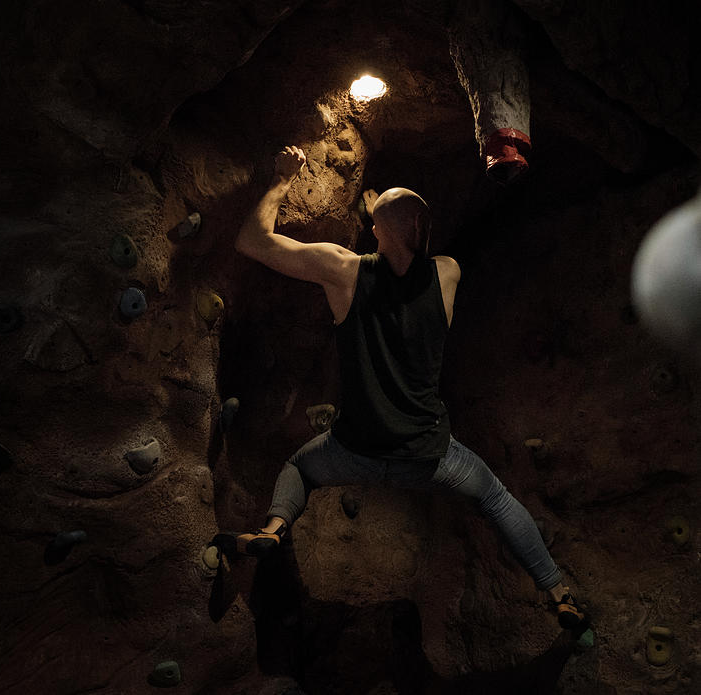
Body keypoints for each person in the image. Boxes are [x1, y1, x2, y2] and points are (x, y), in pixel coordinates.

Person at [218, 145, 589, 634]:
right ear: (424, 230)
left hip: (355, 448)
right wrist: (387, 218)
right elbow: (410, 246)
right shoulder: (448, 273)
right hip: (430, 456)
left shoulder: (342, 270)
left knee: (299, 467)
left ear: (374, 232)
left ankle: (271, 529)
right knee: (496, 500)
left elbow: (253, 240)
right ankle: (560, 594)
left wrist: (283, 178)